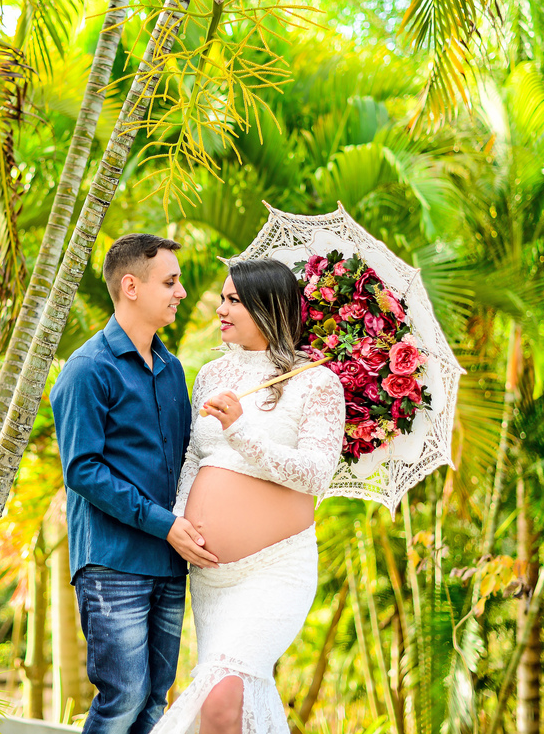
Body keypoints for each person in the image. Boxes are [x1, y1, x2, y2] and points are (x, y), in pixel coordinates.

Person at [151, 258, 346, 734]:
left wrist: (241, 431)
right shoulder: (210, 377)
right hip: (212, 575)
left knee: (220, 699)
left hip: (276, 569)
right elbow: (194, 459)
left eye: (233, 300)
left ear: (268, 306)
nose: (219, 308)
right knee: (235, 706)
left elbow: (316, 474)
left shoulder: (316, 382)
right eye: (222, 297)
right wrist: (178, 523)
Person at [51, 233, 219, 734]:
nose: (181, 293)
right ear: (130, 286)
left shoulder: (172, 369)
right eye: (170, 282)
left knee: (152, 703)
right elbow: (82, 470)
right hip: (113, 561)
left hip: (169, 561)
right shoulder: (87, 370)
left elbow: (185, 457)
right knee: (122, 699)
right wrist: (164, 523)